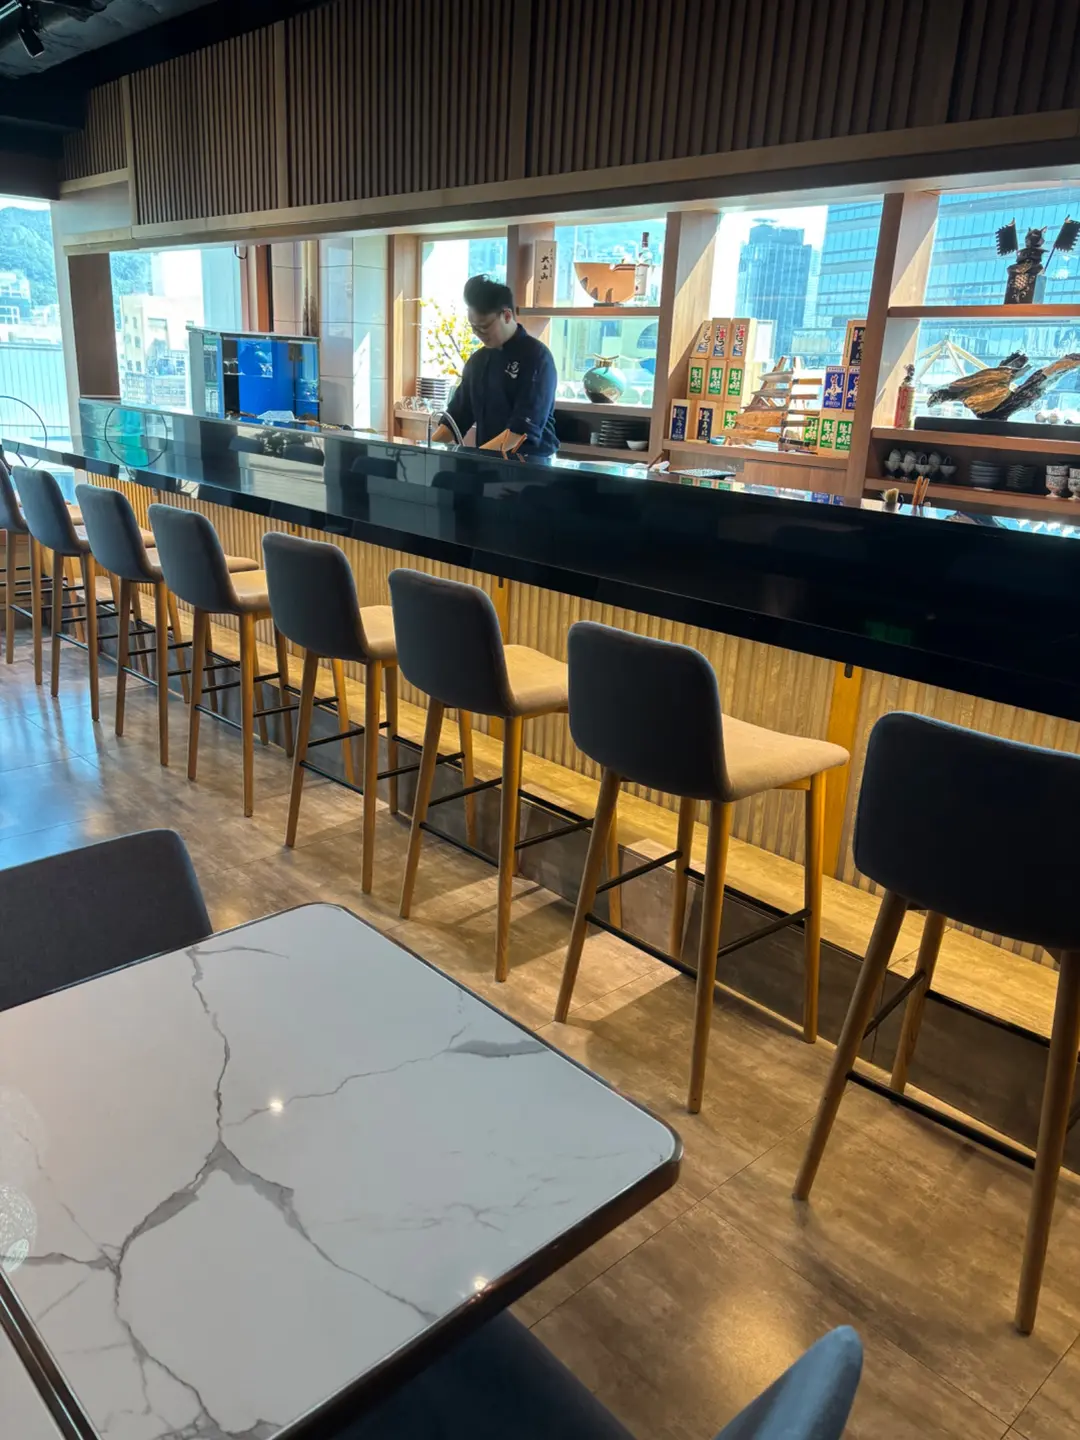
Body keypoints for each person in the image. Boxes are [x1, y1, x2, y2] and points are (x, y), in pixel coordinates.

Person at [432, 275, 558, 457]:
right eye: (473, 327)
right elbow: (455, 419)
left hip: (531, 463)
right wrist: (424, 451)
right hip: (489, 460)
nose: (478, 334)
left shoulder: (537, 357)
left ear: (506, 315)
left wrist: (477, 459)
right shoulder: (478, 361)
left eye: (483, 327)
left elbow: (520, 432)